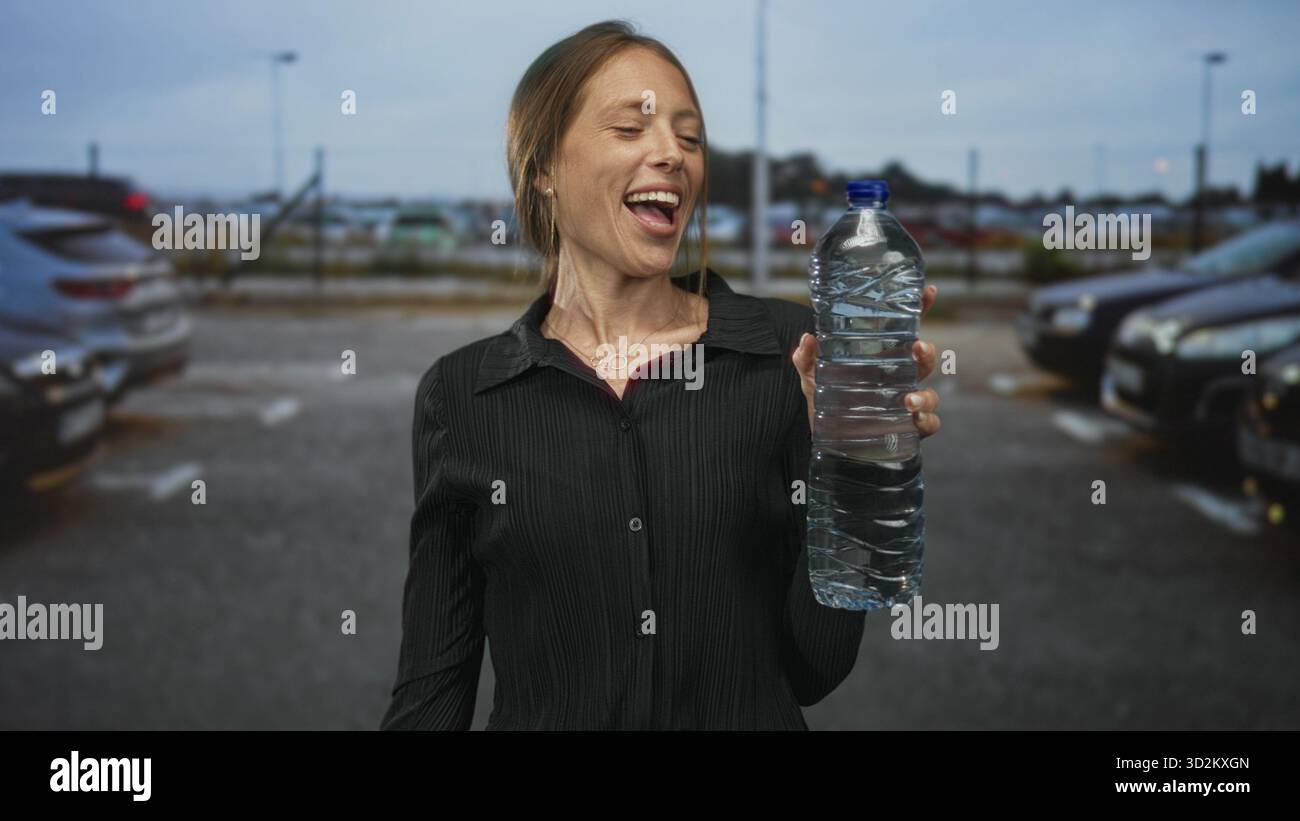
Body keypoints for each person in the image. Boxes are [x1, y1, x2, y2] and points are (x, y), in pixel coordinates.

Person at [380, 20, 942, 731]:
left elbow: (813, 667)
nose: (671, 154)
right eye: (630, 127)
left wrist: (854, 464)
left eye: (690, 136)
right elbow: (431, 690)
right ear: (544, 166)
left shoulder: (791, 350)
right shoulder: (461, 396)